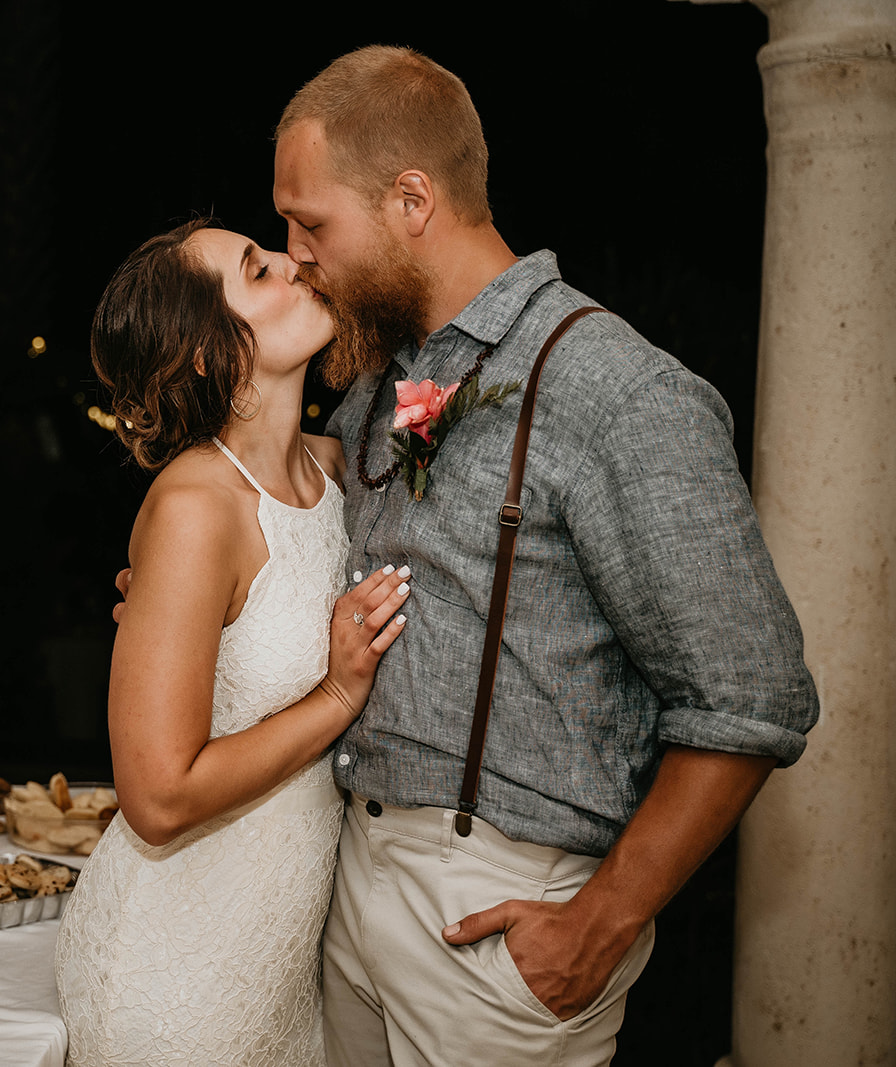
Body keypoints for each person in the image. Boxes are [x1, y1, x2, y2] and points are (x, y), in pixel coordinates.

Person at [259, 45, 819, 1065]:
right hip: (351, 882)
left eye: (311, 223)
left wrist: (598, 921)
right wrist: (186, 557)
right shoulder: (390, 373)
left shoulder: (618, 393)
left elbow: (752, 694)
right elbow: (306, 498)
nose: (294, 252)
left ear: (411, 199)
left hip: (499, 914)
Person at [53, 218, 413, 1066]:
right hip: (175, 977)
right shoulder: (195, 508)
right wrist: (335, 696)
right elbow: (159, 796)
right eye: (260, 270)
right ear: (211, 355)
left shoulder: (335, 469)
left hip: (279, 976)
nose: (295, 263)